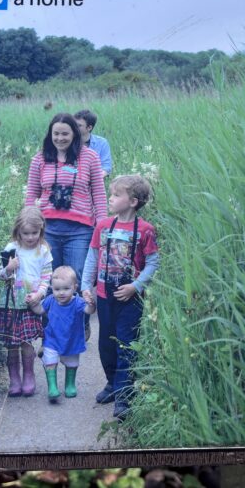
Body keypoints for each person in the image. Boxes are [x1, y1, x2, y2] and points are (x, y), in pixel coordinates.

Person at [82, 174, 159, 419]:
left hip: (130, 299)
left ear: (133, 201)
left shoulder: (145, 230)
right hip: (105, 296)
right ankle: (112, 382)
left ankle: (124, 394)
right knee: (106, 343)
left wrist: (136, 286)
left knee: (126, 343)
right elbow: (93, 257)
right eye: (111, 193)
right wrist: (86, 286)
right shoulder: (103, 226)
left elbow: (152, 263)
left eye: (116, 194)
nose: (110, 198)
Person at [25, 112, 107, 303]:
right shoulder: (40, 159)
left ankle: (79, 325)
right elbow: (31, 195)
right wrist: (26, 225)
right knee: (49, 279)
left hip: (80, 230)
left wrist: (102, 226)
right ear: (50, 134)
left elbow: (99, 194)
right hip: (48, 229)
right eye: (56, 134)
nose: (60, 138)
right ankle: (51, 327)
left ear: (74, 135)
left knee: (75, 279)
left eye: (65, 134)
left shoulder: (90, 157)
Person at [0, 206, 52, 397]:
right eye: (25, 233)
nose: (30, 237)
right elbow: (0, 275)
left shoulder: (43, 250)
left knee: (26, 342)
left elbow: (46, 277)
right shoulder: (11, 248)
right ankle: (14, 379)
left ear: (41, 230)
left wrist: (39, 295)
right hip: (11, 303)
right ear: (18, 231)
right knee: (11, 344)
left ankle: (28, 375)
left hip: (29, 303)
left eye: (35, 233)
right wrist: (9, 268)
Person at [29, 266, 96, 402]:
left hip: (72, 340)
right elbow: (40, 310)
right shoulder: (50, 300)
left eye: (66, 288)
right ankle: (52, 387)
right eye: (57, 289)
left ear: (75, 288)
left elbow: (89, 311)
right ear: (52, 289)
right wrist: (32, 303)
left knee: (71, 362)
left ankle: (70, 384)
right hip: (52, 339)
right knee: (50, 360)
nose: (61, 293)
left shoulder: (77, 302)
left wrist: (91, 304)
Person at [74, 109, 113, 177]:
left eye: (79, 125)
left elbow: (106, 168)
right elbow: (63, 166)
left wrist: (92, 178)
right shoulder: (67, 142)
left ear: (89, 127)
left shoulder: (102, 143)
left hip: (95, 181)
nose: (74, 128)